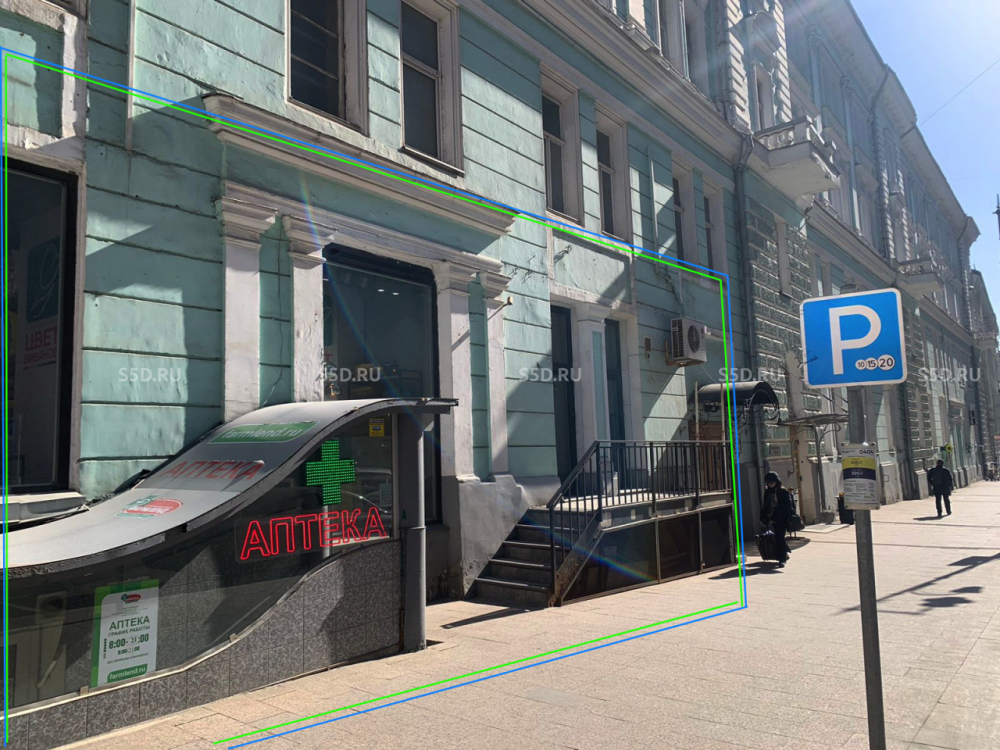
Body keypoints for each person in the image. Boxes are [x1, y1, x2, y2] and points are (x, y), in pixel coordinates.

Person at [760, 471, 794, 568]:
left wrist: (781, 512)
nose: (770, 485)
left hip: (781, 518)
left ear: (776, 482)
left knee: (780, 537)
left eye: (771, 482)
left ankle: (782, 559)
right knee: (777, 537)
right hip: (772, 518)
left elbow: (788, 506)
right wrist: (763, 517)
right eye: (768, 483)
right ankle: (784, 554)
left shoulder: (782, 491)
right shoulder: (768, 492)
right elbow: (765, 505)